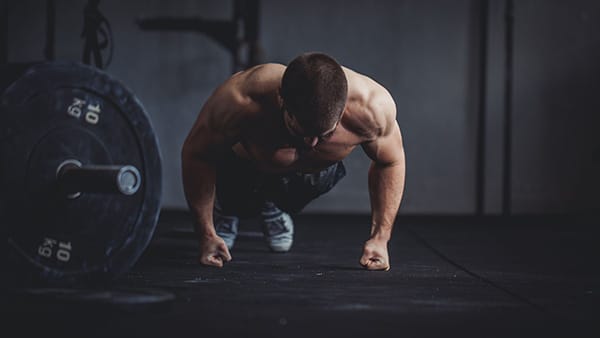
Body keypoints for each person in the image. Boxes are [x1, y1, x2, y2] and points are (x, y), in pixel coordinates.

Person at [181, 52, 405, 271]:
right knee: (239, 201)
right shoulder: (241, 99)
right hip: (248, 169)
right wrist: (206, 234)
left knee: (309, 180)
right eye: (302, 131)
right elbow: (197, 155)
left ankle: (274, 206)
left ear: (344, 106)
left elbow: (391, 161)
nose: (312, 142)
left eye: (325, 135)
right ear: (281, 98)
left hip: (309, 176)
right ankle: (228, 210)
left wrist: (380, 239)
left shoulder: (372, 107)